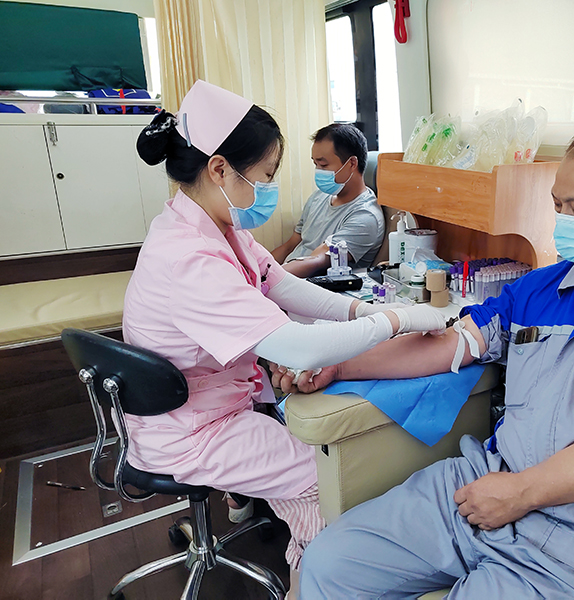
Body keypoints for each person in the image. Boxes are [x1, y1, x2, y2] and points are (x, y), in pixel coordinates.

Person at [275, 122, 574, 599]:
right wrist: (342, 363)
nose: (562, 220)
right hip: (486, 483)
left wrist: (523, 491)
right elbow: (451, 342)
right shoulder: (540, 288)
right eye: (557, 205)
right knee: (329, 565)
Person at [125, 80, 446, 597]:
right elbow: (296, 347)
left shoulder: (217, 228)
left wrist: (365, 310)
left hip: (204, 407)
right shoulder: (188, 258)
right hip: (192, 431)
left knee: (313, 454)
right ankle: (312, 582)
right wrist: (397, 321)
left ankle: (303, 554)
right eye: (266, 175)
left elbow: (283, 285)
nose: (269, 189)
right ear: (220, 169)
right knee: (330, 476)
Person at [271, 123, 385, 277]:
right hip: (283, 276)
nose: (318, 171)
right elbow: (290, 246)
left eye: (323, 165)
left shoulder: (366, 216)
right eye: (315, 164)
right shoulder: (318, 197)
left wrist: (267, 278)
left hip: (306, 284)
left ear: (352, 163)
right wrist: (256, 269)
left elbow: (317, 260)